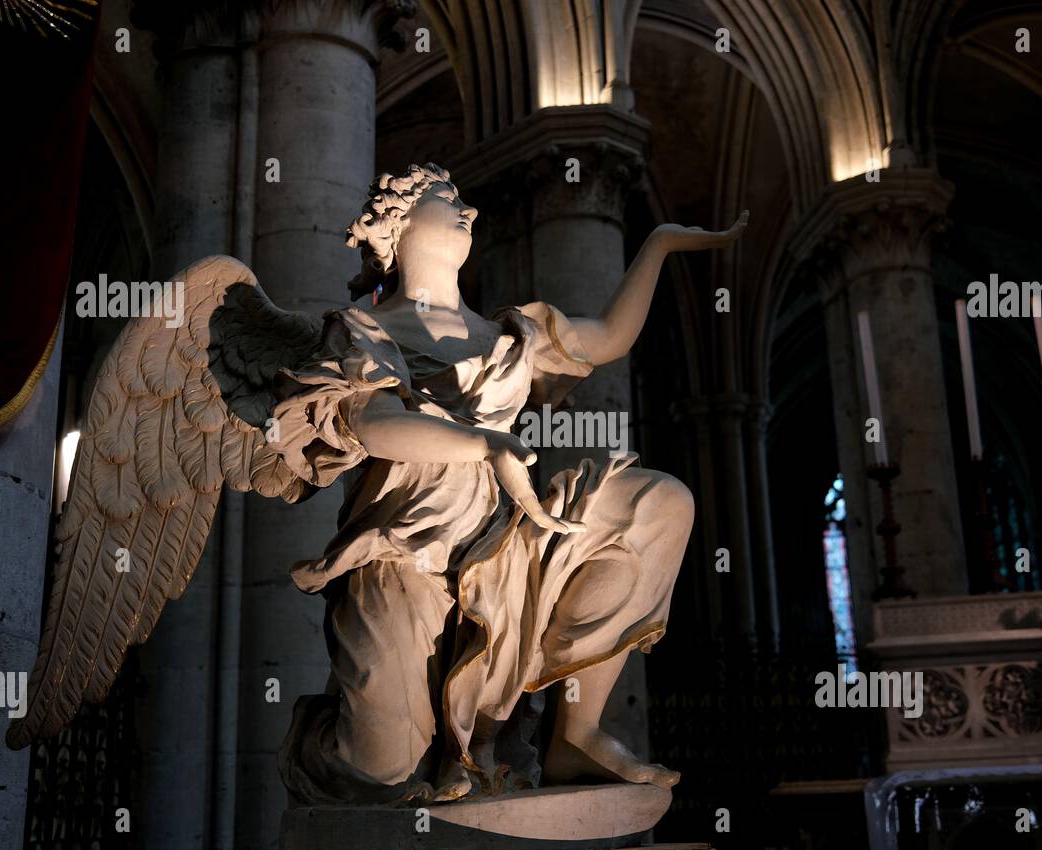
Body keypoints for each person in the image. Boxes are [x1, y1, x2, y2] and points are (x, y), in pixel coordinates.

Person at [275, 163, 747, 804]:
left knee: (659, 503)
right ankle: (331, 745)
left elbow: (609, 336)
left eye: (466, 201)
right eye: (448, 200)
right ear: (399, 223)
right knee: (383, 771)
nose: (467, 211)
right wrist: (483, 442)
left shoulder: (511, 335)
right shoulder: (363, 330)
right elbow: (374, 422)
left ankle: (576, 734)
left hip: (508, 549)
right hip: (404, 558)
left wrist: (659, 241)